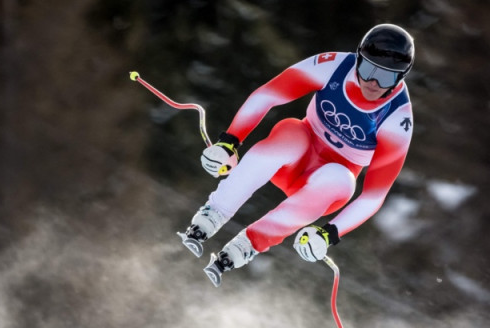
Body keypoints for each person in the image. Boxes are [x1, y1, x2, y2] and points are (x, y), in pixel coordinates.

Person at [178, 23, 415, 287]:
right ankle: (213, 214)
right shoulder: (334, 66)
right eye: (368, 69)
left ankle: (248, 244)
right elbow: (267, 95)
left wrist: (328, 234)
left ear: (401, 77)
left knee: (342, 180)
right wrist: (229, 142)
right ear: (357, 58)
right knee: (291, 133)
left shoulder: (397, 119)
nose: (373, 83)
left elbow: (374, 196)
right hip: (296, 154)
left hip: (325, 186)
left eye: (387, 77)